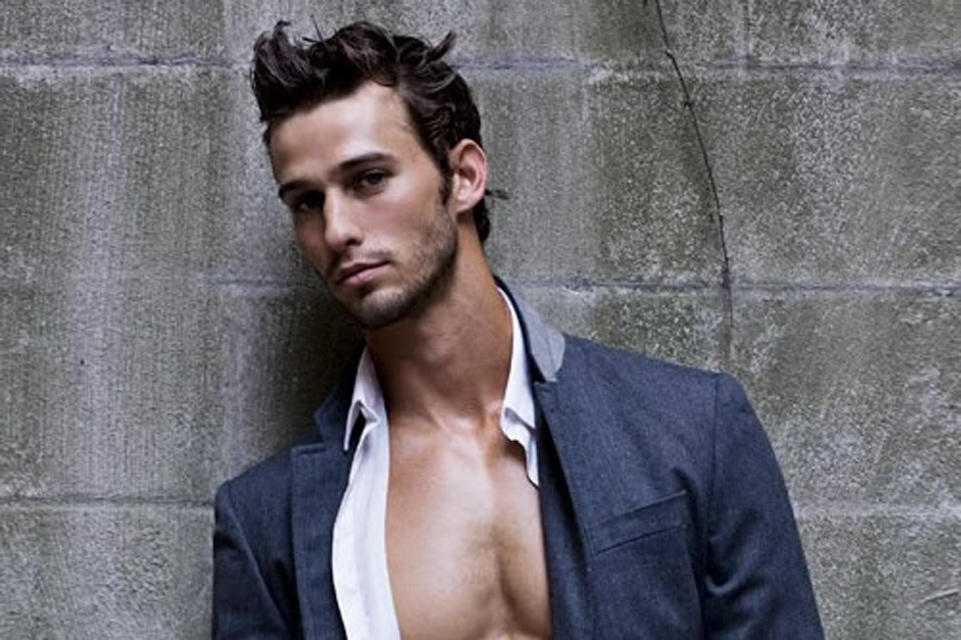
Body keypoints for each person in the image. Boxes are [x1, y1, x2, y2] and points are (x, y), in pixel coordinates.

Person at [213, 20, 824, 639]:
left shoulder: (693, 430)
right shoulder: (267, 521)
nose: (338, 228)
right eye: (306, 202)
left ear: (466, 177)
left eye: (369, 179)